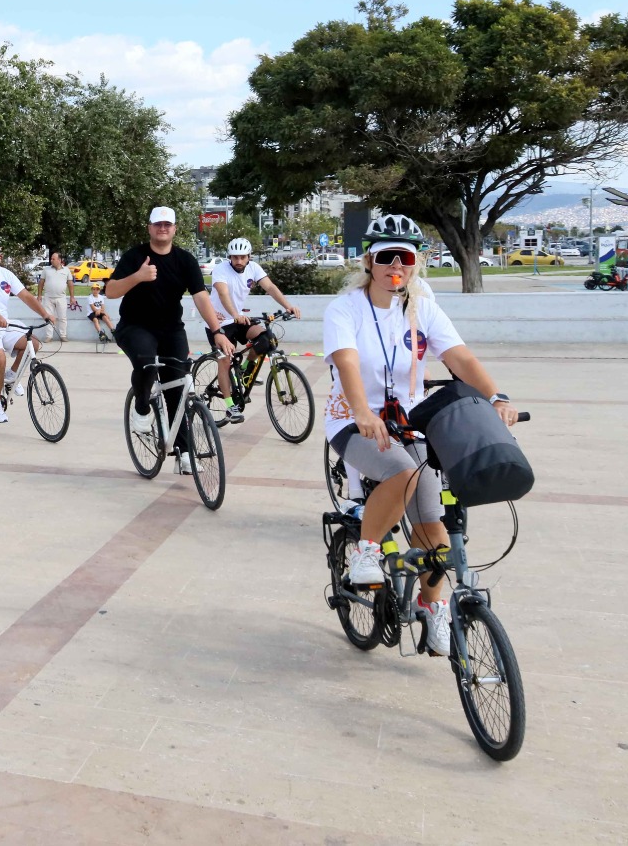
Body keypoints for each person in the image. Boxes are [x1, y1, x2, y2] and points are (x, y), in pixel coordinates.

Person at [323, 214, 517, 657]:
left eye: (404, 257)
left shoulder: (421, 307)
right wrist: (360, 411)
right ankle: (367, 551)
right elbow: (348, 364)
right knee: (401, 473)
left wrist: (497, 396)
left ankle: (433, 609)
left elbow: (459, 357)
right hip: (353, 420)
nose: (396, 265)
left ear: (415, 264)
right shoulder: (345, 308)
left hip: (408, 420)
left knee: (435, 527)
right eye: (386, 256)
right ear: (369, 260)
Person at [105, 207, 232, 474]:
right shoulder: (136, 256)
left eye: (168, 224)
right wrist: (138, 277)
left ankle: (184, 453)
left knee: (179, 389)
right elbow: (111, 291)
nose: (163, 228)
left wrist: (217, 331)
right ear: (149, 228)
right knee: (147, 363)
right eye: (157, 224)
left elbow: (200, 297)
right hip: (135, 327)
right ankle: (141, 408)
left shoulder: (185, 260)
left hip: (171, 330)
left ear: (174, 229)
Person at [208, 237, 302, 423]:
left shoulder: (254, 268)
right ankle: (230, 406)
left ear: (249, 256)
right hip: (218, 322)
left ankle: (245, 370)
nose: (239, 261)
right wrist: (235, 313)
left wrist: (288, 306)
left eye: (243, 257)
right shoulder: (221, 270)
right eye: (235, 258)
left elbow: (270, 287)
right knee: (225, 361)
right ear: (230, 257)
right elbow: (222, 293)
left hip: (239, 318)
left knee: (267, 339)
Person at [0, 242, 55, 424]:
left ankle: (11, 376)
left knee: (33, 343)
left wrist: (45, 313)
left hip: (2, 323)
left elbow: (26, 296)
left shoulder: (6, 275)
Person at [37, 251, 77, 342]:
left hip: (61, 298)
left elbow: (70, 284)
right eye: (51, 259)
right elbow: (41, 283)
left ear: (59, 260)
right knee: (48, 317)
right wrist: (39, 295)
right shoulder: (46, 270)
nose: (51, 260)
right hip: (48, 297)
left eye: (53, 259)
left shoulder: (66, 270)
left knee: (62, 317)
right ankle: (49, 336)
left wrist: (72, 297)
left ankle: (63, 335)